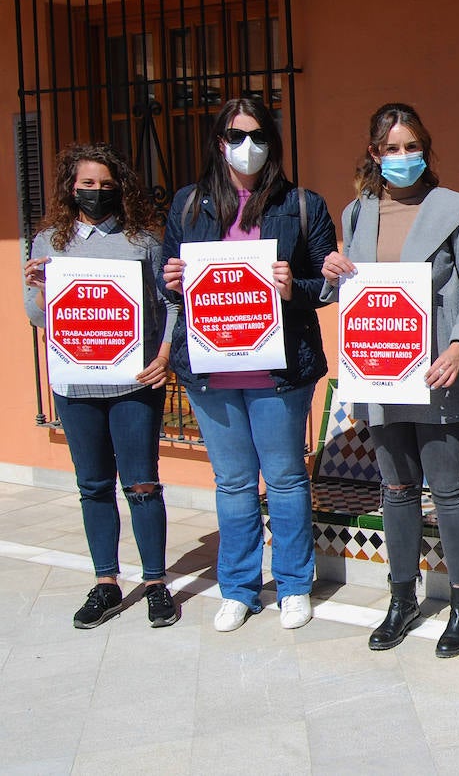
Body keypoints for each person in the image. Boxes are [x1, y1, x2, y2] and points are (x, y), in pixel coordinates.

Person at [321, 103, 459, 658]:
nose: (403, 156)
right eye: (392, 148)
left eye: (412, 146)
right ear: (375, 154)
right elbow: (351, 290)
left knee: (447, 489)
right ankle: (401, 600)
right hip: (382, 371)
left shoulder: (455, 212)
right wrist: (333, 272)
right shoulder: (357, 214)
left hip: (439, 373)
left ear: (425, 149)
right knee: (395, 490)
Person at [161, 98, 336, 633]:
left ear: (272, 143)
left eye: (258, 136)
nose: (248, 146)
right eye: (237, 136)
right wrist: (171, 279)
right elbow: (166, 283)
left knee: (285, 479)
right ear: (220, 143)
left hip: (278, 373)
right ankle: (237, 588)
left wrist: (292, 287)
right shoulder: (188, 204)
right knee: (233, 484)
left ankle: (293, 584)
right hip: (210, 372)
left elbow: (327, 285)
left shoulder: (302, 204)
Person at [23, 143, 180, 629]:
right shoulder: (47, 242)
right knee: (92, 486)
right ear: (71, 187)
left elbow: (171, 303)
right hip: (76, 387)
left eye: (106, 184)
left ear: (121, 188)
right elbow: (38, 316)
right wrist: (40, 290)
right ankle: (106, 582)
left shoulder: (142, 242)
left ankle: (155, 583)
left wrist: (163, 357)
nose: (96, 191)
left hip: (134, 385)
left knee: (142, 485)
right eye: (87, 183)